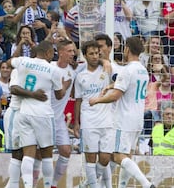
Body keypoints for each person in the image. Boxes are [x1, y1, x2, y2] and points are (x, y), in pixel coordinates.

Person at [89, 36, 155, 188]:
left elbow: (116, 96)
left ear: (127, 49)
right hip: (138, 119)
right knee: (128, 157)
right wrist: (112, 85)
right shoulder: (143, 70)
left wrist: (97, 100)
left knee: (117, 156)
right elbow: (129, 86)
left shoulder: (127, 70)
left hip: (124, 119)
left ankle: (146, 184)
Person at [10, 40, 68, 188]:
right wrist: (65, 85)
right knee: (46, 153)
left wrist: (20, 49)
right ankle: (48, 185)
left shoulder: (23, 61)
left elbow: (11, 61)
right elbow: (59, 95)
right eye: (52, 54)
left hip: (24, 111)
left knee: (28, 153)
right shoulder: (53, 70)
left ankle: (28, 186)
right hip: (43, 113)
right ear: (48, 53)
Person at [74, 40, 113, 188]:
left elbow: (118, 81)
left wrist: (106, 61)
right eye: (91, 53)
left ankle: (85, 185)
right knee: (90, 158)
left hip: (107, 120)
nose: (95, 56)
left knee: (105, 158)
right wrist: (76, 122)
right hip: (89, 120)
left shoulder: (107, 69)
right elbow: (78, 100)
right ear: (85, 56)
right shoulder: (80, 76)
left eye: (97, 53)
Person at [50, 40, 77, 188]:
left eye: (73, 51)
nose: (72, 54)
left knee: (66, 151)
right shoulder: (50, 68)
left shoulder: (73, 71)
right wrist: (65, 85)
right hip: (45, 116)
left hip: (59, 118)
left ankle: (53, 185)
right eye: (69, 51)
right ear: (60, 52)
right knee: (40, 154)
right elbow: (59, 94)